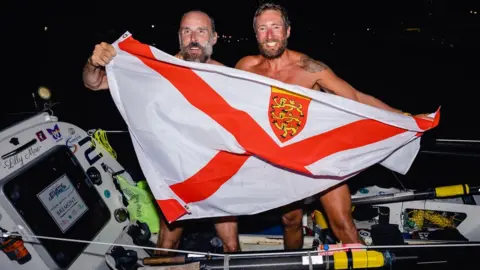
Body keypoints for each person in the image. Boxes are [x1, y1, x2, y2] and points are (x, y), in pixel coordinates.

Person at [235, 3, 430, 249]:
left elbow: (355, 98)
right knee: (290, 220)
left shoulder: (308, 68)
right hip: (281, 159)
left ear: (287, 31)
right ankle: (295, 266)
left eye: (276, 27)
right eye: (263, 28)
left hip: (321, 156)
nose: (270, 35)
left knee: (342, 224)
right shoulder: (246, 68)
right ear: (256, 34)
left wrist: (405, 117)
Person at [82, 10, 240, 254]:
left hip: (213, 171)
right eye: (187, 31)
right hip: (173, 173)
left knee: (231, 246)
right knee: (167, 245)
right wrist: (94, 62)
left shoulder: (225, 77)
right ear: (179, 37)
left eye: (201, 31)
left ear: (215, 38)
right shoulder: (154, 70)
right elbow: (93, 83)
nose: (194, 38)